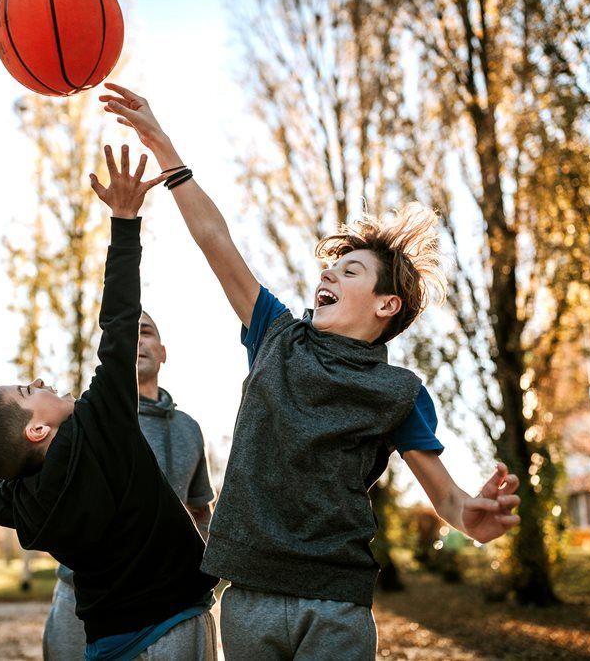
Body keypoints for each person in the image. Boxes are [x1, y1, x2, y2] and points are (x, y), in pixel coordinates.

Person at [100, 83, 522, 660]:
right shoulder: (276, 334)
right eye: (331, 268)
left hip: (336, 604)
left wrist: (472, 516)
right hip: (247, 594)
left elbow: (448, 500)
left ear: (385, 305)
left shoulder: (399, 393)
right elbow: (216, 240)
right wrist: (164, 146)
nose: (329, 277)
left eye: (350, 271)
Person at [0, 145, 218, 660]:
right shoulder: (102, 423)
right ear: (36, 430)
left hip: (106, 642)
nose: (42, 381)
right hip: (173, 624)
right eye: (30, 392)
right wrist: (124, 220)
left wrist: (13, 482)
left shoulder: (24, 503)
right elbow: (119, 319)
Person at [43, 309, 215, 660]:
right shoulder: (80, 421)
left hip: (170, 606)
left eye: (147, 332)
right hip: (83, 600)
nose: (137, 340)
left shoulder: (189, 428)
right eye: (129, 333)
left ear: (162, 352)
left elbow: (199, 509)